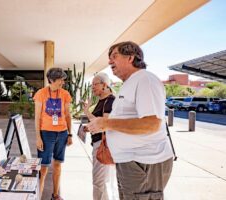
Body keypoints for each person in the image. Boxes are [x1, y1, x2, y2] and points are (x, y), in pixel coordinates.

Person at [87, 41, 174, 200]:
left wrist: (106, 123)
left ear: (130, 58)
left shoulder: (145, 80)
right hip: (132, 162)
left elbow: (151, 123)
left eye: (114, 56)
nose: (109, 61)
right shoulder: (130, 83)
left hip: (144, 163)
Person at [34, 68, 73, 200]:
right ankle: (38, 196)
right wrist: (38, 137)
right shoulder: (41, 93)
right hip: (46, 134)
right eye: (60, 80)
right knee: (43, 168)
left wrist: (70, 134)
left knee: (57, 164)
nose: (63, 82)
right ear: (51, 80)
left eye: (63, 80)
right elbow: (37, 117)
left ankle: (55, 195)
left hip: (62, 133)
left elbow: (68, 115)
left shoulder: (65, 94)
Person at [82, 72, 117, 200]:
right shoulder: (102, 100)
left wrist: (88, 114)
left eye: (95, 85)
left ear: (105, 85)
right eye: (91, 86)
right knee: (101, 181)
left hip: (103, 145)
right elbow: (97, 122)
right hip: (98, 143)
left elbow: (104, 124)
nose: (92, 88)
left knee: (99, 181)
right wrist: (88, 125)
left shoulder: (110, 100)